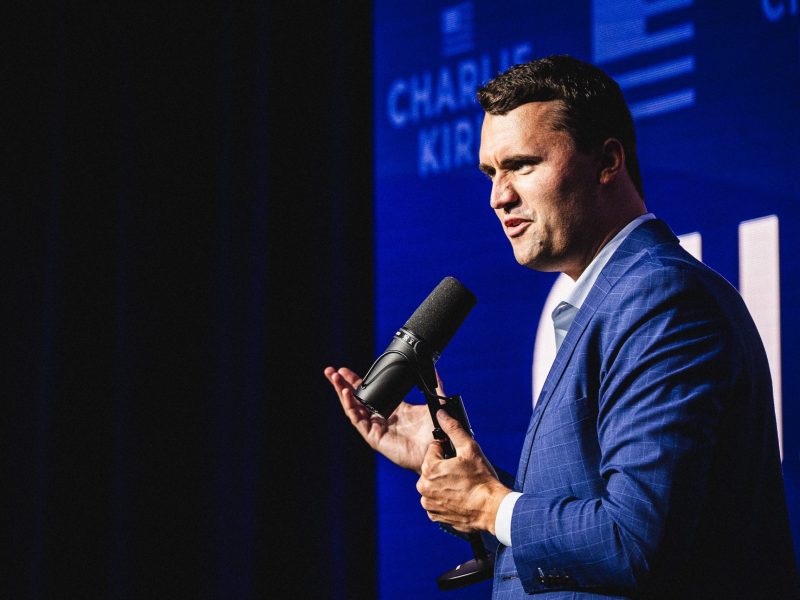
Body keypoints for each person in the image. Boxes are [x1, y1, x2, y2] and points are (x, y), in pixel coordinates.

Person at [324, 55, 799, 598]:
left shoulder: (660, 298)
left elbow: (635, 542)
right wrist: (475, 482)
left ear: (607, 161)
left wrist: (488, 504)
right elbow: (598, 527)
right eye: (491, 172)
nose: (498, 195)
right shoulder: (614, 298)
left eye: (523, 165)